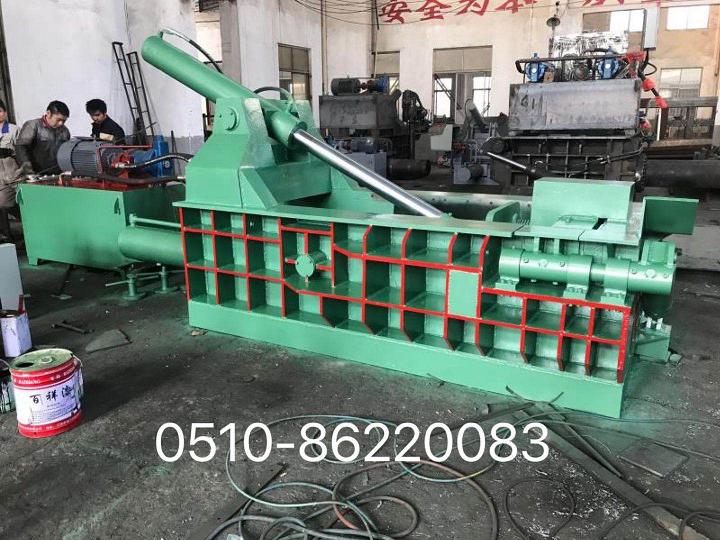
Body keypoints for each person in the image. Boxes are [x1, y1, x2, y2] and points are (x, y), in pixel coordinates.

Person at [15, 100, 71, 176]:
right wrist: (28, 171)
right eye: (58, 120)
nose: (61, 123)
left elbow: (66, 152)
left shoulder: (65, 131)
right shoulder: (33, 126)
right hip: (36, 174)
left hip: (57, 174)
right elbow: (21, 148)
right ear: (48, 113)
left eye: (64, 121)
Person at [0, 99, 20, 241]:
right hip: (0, 176)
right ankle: (7, 237)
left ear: (5, 112)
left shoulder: (14, 129)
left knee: (22, 202)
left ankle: (30, 229)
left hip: (14, 172)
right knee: (2, 205)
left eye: (0, 111)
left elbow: (22, 151)